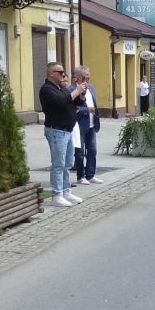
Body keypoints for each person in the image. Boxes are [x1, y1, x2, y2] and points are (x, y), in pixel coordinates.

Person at [38, 62, 85, 208]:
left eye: (64, 72)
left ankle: (66, 191)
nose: (64, 75)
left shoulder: (61, 88)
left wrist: (81, 94)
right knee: (58, 164)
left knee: (67, 164)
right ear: (51, 74)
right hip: (56, 131)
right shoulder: (46, 89)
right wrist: (76, 91)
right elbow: (61, 102)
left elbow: (73, 102)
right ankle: (56, 195)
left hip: (67, 130)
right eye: (60, 72)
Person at [72, 66, 102, 185]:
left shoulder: (91, 88)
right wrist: (86, 110)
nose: (89, 77)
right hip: (79, 125)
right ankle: (81, 176)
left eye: (89, 74)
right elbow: (72, 107)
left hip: (91, 124)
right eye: (86, 75)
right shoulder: (72, 89)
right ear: (79, 77)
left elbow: (94, 103)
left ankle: (90, 175)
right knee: (79, 152)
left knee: (92, 151)